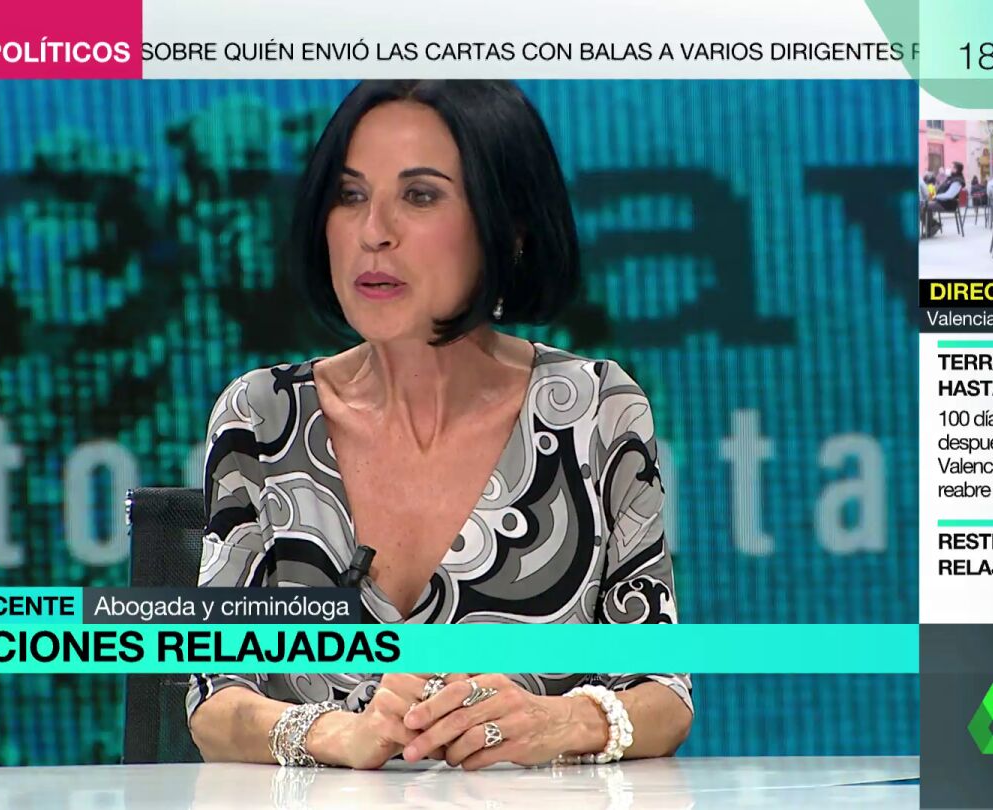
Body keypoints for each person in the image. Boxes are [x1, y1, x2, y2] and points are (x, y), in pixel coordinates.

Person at [187, 80, 693, 771]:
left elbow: (664, 692)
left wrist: (557, 721)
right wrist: (335, 733)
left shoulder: (597, 408)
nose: (373, 232)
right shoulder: (261, 416)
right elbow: (212, 700)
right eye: (350, 195)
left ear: (510, 228)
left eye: (420, 196)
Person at [924, 161, 965, 236]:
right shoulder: (951, 178)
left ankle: (932, 227)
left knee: (923, 206)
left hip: (947, 204)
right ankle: (933, 225)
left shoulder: (957, 181)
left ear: (955, 169)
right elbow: (942, 190)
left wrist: (936, 196)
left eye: (950, 167)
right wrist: (932, 191)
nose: (948, 168)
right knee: (923, 204)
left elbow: (950, 195)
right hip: (941, 202)